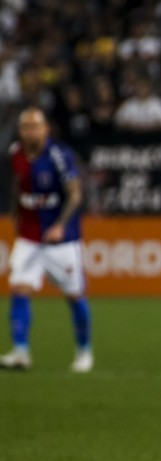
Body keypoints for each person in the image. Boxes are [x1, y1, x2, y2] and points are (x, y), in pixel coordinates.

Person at [1, 107, 93, 373]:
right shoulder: (16, 153)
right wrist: (15, 216)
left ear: (45, 129)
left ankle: (84, 350)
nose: (29, 131)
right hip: (29, 237)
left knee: (74, 295)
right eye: (25, 126)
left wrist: (60, 226)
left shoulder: (58, 156)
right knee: (19, 288)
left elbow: (75, 194)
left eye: (34, 126)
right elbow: (19, 185)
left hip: (61, 241)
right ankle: (20, 351)